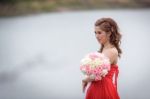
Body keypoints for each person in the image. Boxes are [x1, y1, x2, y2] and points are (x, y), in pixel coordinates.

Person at [82, 18, 122, 99]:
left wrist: (85, 80)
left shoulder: (111, 51)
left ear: (109, 33)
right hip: (97, 87)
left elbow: (98, 74)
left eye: (99, 33)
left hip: (103, 89)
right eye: (95, 33)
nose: (97, 36)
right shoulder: (104, 49)